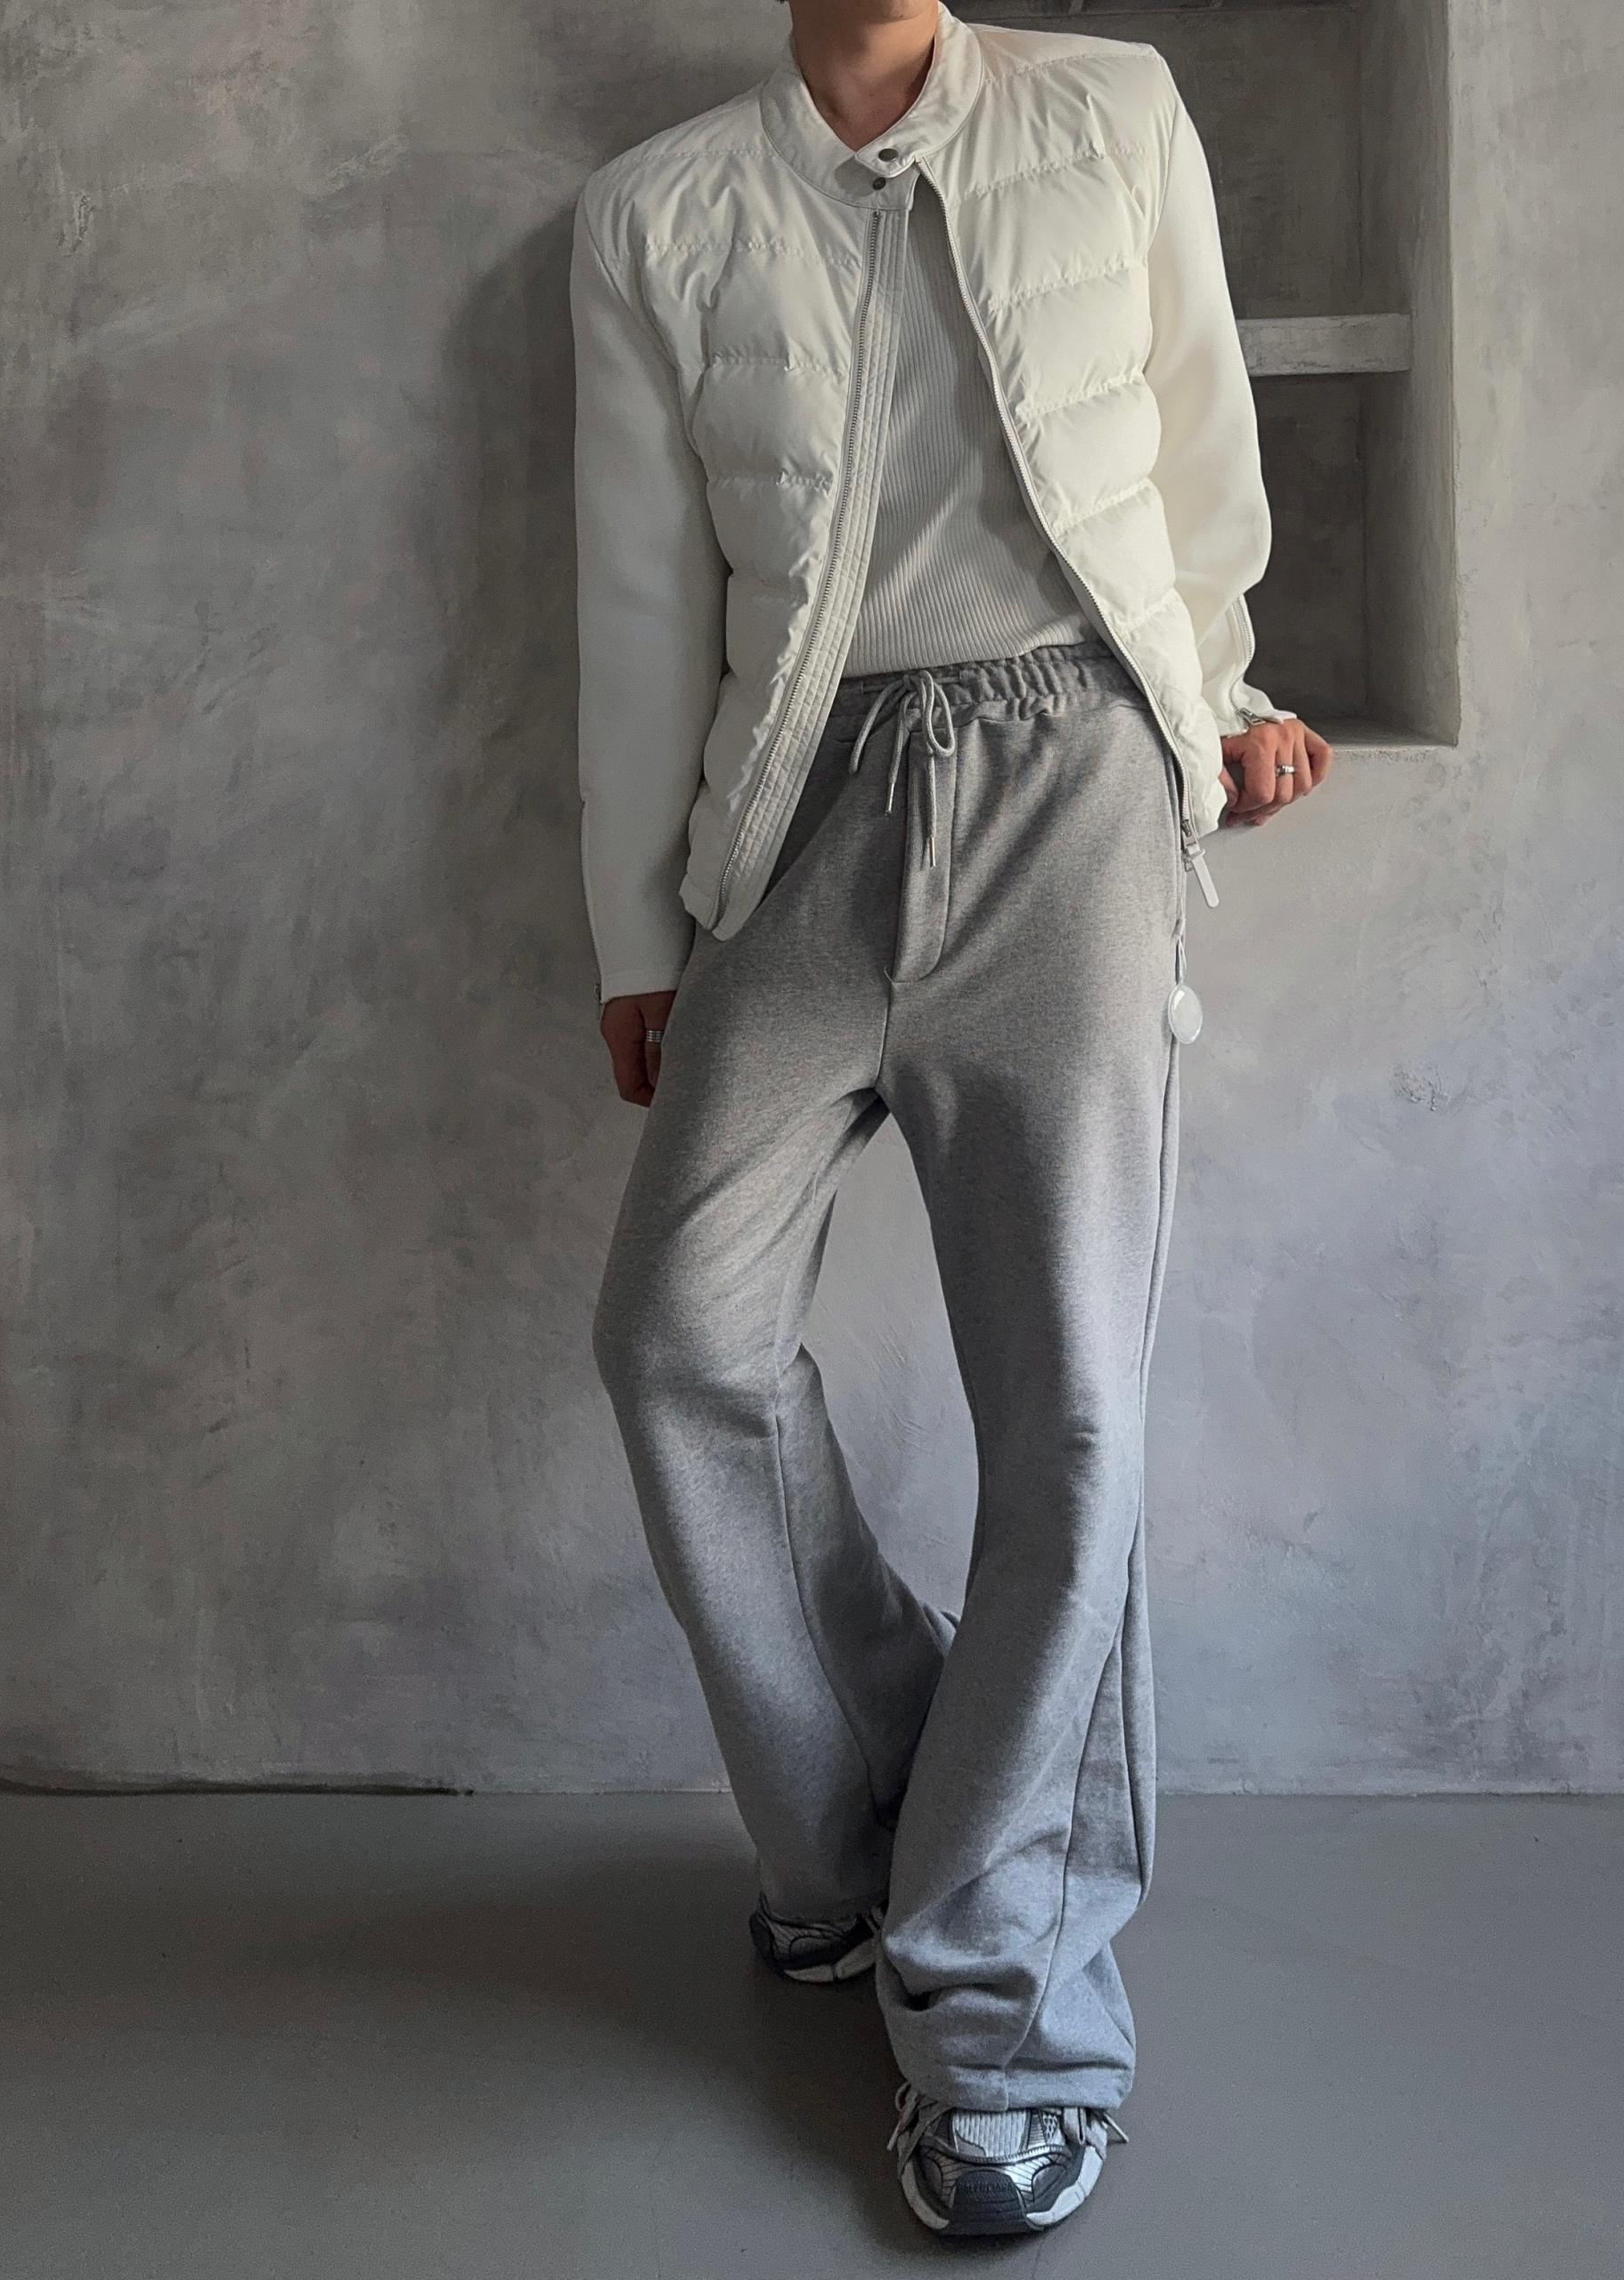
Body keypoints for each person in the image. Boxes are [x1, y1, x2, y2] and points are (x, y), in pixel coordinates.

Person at [570, 0, 1332, 2240]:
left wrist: (1224, 692)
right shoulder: (657, 210)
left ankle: (1010, 2019)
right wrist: (636, 928)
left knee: (1067, 1407)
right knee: (677, 1337)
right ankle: (864, 1833)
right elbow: (642, 590)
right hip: (798, 811)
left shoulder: (1111, 106)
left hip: (1074, 772)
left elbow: (1192, 428)